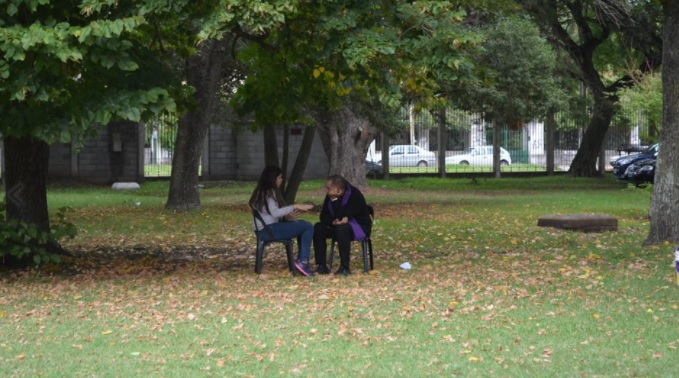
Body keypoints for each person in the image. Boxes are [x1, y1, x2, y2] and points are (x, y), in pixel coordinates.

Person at [249, 166, 315, 276]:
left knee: (302, 225)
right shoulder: (268, 193)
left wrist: (287, 217)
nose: (281, 180)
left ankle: (301, 261)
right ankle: (303, 261)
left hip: (266, 229)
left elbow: (270, 214)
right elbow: (275, 213)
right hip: (269, 230)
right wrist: (295, 206)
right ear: (272, 179)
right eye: (279, 178)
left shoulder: (261, 192)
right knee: (307, 226)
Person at [313, 174, 371, 275]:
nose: (326, 191)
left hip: (358, 227)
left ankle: (345, 267)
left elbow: (343, 215)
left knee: (342, 228)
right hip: (338, 226)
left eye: (328, 188)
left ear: (338, 190)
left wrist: (334, 200)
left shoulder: (355, 195)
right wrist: (332, 222)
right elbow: (323, 216)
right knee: (318, 227)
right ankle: (321, 265)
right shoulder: (330, 196)